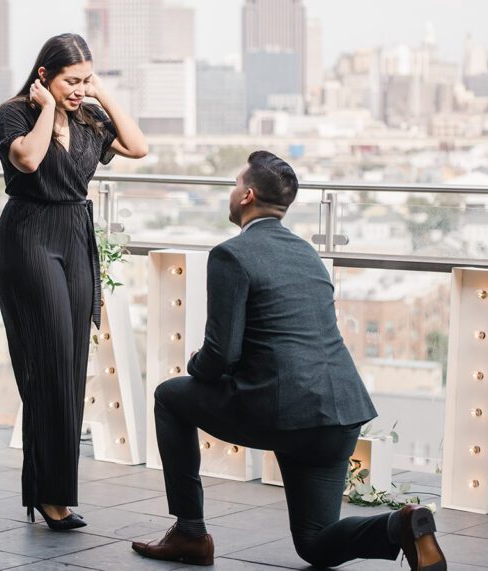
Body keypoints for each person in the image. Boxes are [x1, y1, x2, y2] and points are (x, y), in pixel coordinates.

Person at [131, 151, 446, 570]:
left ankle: (190, 533)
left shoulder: (231, 255)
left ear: (247, 195)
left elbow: (222, 354)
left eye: (232, 185)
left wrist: (196, 365)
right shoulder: (306, 253)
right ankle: (401, 525)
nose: (230, 193)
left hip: (283, 410)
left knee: (170, 396)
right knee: (315, 544)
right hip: (341, 411)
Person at [0, 33, 147, 530]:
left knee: (71, 364)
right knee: (49, 364)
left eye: (86, 79)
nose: (79, 89)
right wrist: (44, 111)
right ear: (44, 76)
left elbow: (137, 147)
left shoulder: (88, 118)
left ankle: (49, 490)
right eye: (70, 81)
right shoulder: (13, 113)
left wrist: (100, 95)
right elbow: (29, 160)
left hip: (75, 237)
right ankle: (49, 496)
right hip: (29, 238)